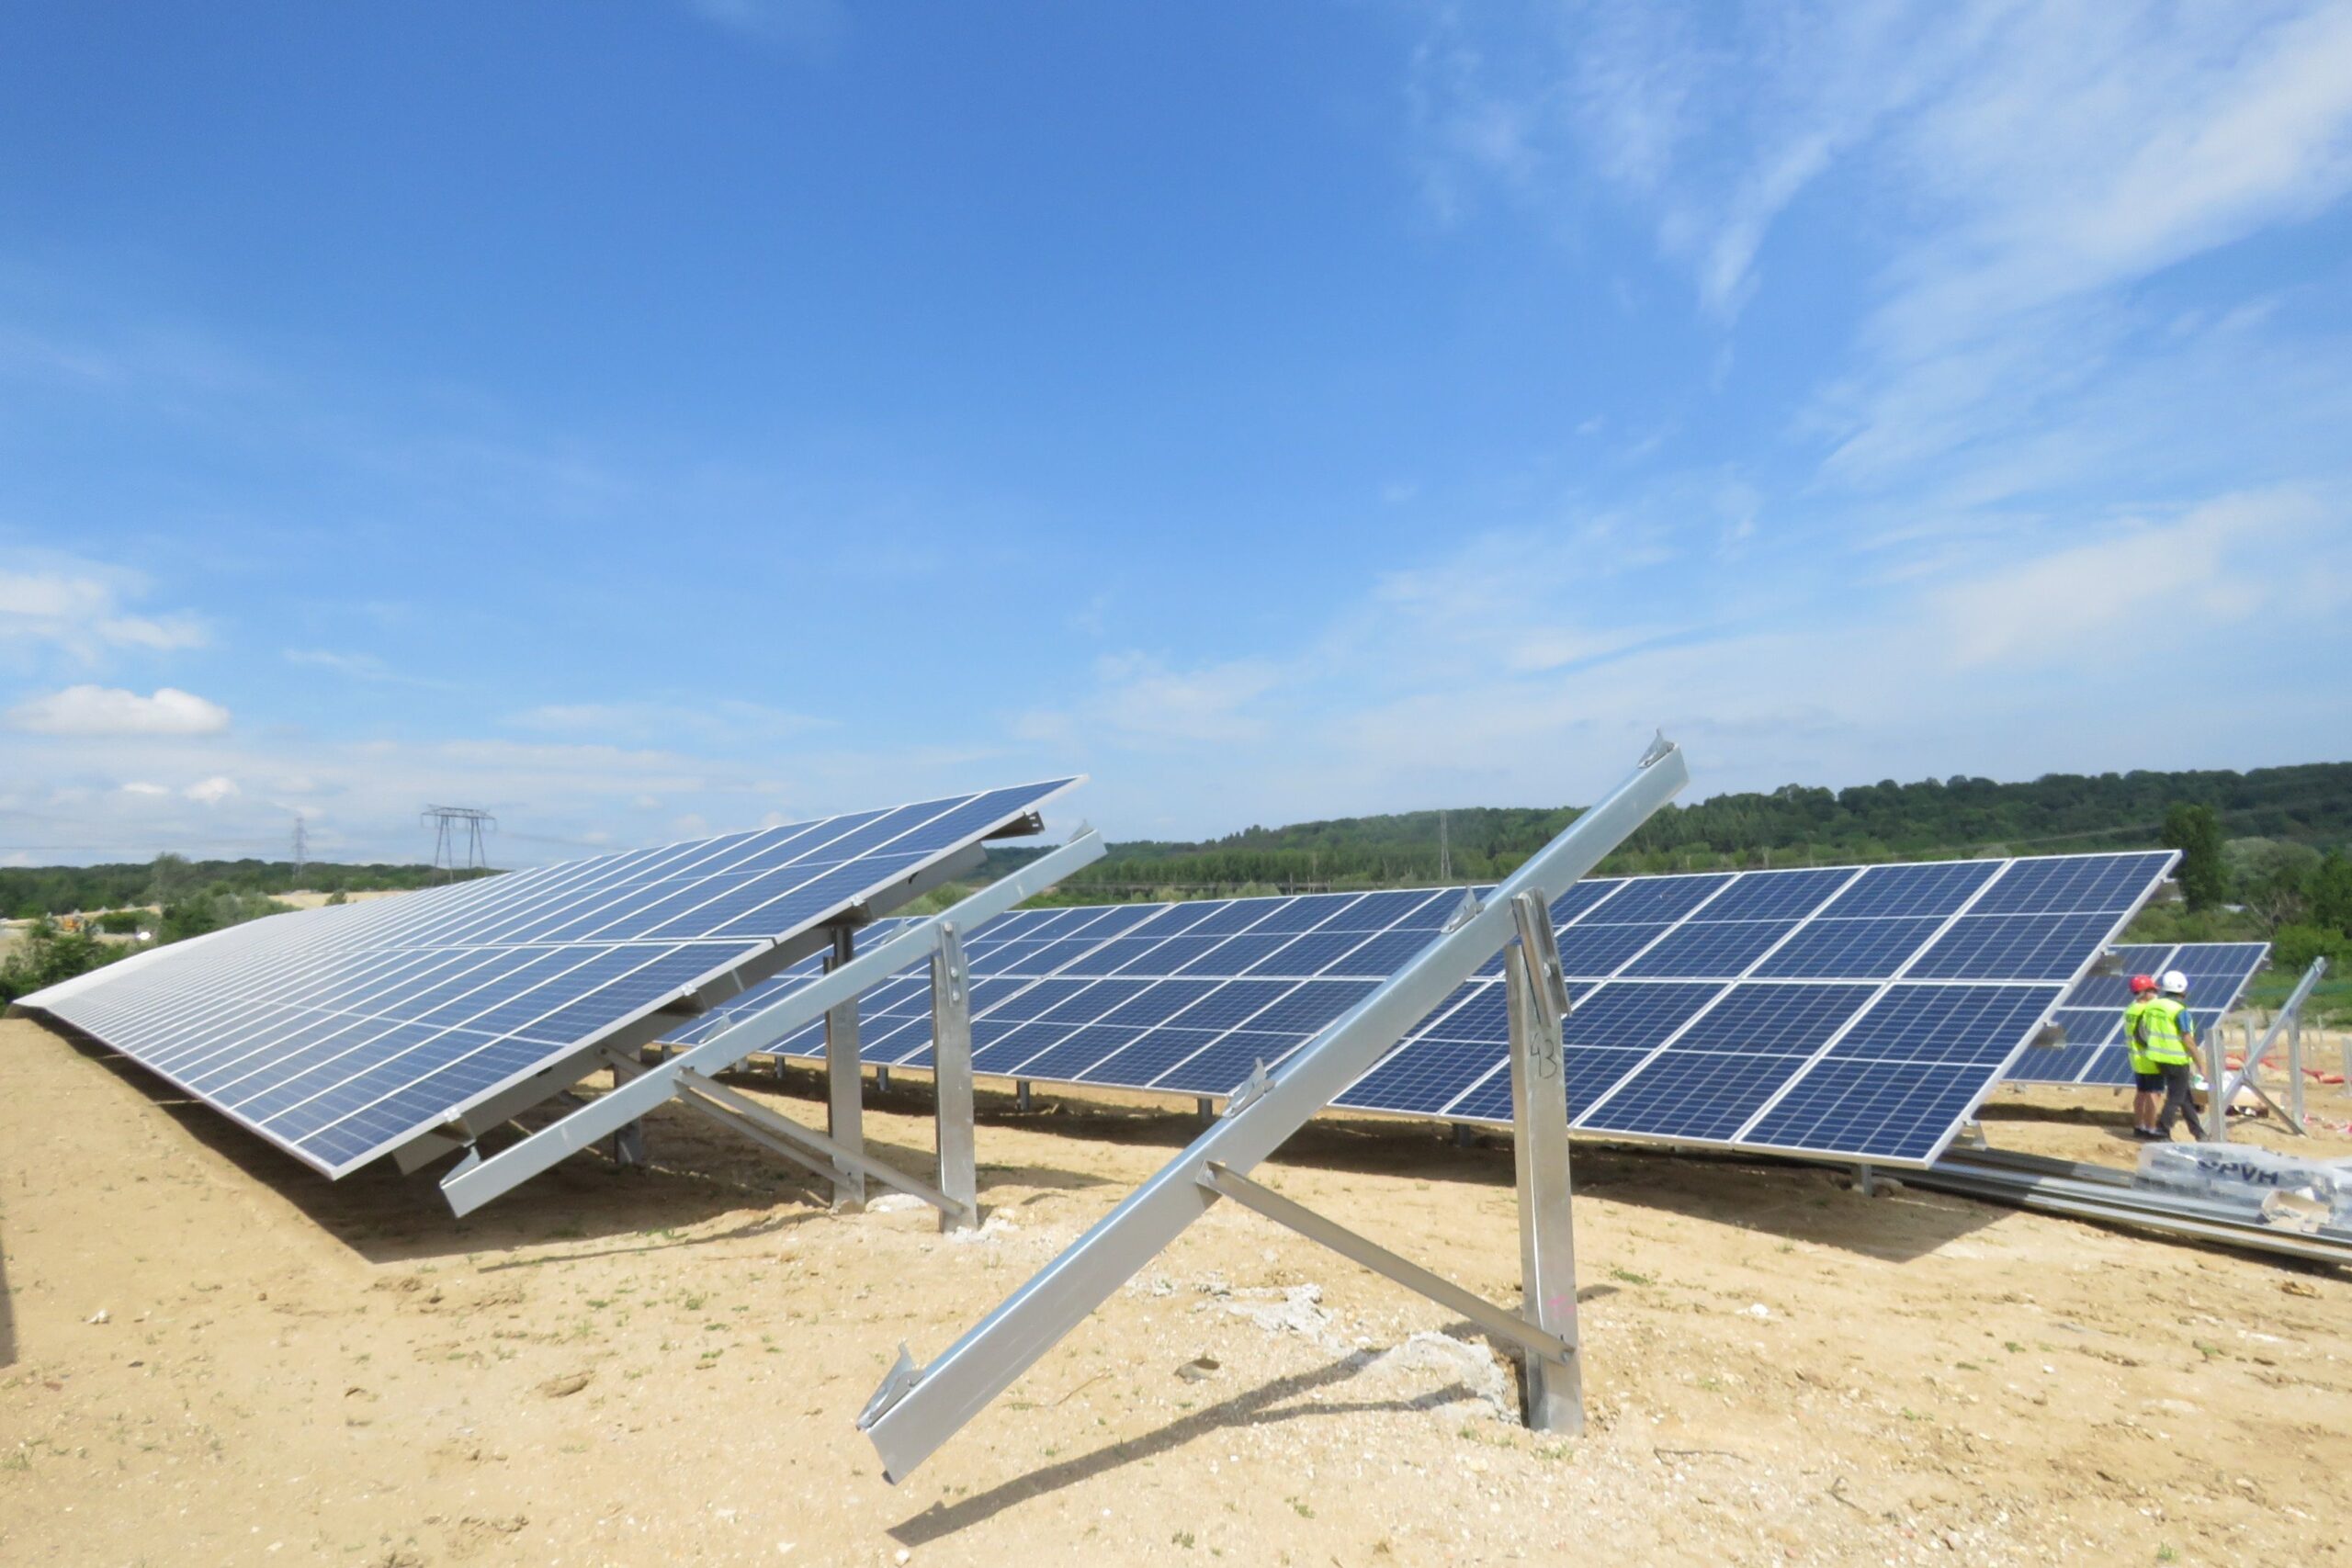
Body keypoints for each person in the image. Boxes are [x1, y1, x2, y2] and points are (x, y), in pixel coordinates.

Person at [2137, 967, 2203, 1141]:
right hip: (2177, 1059)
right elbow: (2188, 1039)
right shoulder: (2179, 1010)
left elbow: (2141, 1032)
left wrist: (2151, 1047)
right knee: (2176, 1097)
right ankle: (2162, 1130)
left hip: (2157, 1058)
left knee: (2184, 1095)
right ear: (2182, 989)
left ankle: (2198, 1132)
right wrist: (2202, 1065)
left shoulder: (2152, 1006)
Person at [2122, 974, 2163, 1137]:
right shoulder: (2148, 1011)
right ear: (2144, 992)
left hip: (2136, 1059)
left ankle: (2139, 1127)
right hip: (2150, 1059)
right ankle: (2151, 1128)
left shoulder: (2130, 1009)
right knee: (2154, 1094)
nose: (2155, 993)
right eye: (2152, 990)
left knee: (2141, 1093)